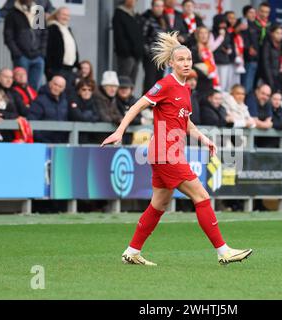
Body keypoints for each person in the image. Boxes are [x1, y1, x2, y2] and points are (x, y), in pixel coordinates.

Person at [101, 32, 253, 266]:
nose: (185, 63)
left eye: (188, 59)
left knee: (159, 203)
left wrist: (204, 138)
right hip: (165, 152)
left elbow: (186, 122)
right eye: (180, 60)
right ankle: (224, 251)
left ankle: (131, 251)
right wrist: (120, 131)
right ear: (171, 63)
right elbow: (136, 105)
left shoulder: (184, 88)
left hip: (167, 152)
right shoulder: (165, 84)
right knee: (201, 196)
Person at [4, 0, 48, 90]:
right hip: (22, 57)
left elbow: (44, 34)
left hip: (38, 57)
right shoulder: (12, 14)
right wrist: (18, 54)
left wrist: (42, 52)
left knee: (35, 88)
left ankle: (33, 104)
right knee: (20, 86)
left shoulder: (38, 12)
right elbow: (8, 36)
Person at [45, 7, 79, 90]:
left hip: (69, 69)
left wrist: (77, 64)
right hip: (57, 69)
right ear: (57, 15)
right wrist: (49, 68)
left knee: (69, 94)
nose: (65, 17)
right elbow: (47, 49)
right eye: (63, 14)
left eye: (67, 15)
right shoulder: (52, 28)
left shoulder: (67, 29)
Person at [28, 75, 69, 143]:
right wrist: (40, 139)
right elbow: (32, 120)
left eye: (60, 86)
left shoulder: (65, 102)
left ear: (63, 88)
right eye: (55, 84)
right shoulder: (40, 101)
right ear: (50, 84)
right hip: (43, 143)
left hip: (61, 143)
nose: (57, 88)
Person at [113, 0, 144, 85]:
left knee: (132, 82)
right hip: (126, 55)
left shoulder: (136, 15)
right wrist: (126, 52)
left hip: (136, 55)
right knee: (123, 80)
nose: (133, 1)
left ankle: (130, 98)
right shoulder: (119, 13)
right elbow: (119, 36)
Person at [141, 0, 168, 93]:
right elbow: (142, 38)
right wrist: (149, 53)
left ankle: (156, 104)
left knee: (159, 82)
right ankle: (146, 105)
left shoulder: (164, 19)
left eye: (161, 6)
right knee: (150, 82)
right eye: (157, 6)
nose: (160, 8)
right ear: (152, 7)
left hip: (162, 56)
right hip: (151, 57)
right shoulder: (147, 19)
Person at [211, 14, 233, 92]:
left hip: (225, 62)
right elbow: (211, 48)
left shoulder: (227, 33)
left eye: (225, 23)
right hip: (215, 62)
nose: (223, 25)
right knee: (215, 84)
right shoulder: (212, 33)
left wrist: (228, 50)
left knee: (224, 84)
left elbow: (230, 45)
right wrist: (221, 36)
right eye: (221, 23)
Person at [241, 5, 259, 94]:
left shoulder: (256, 25)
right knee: (246, 86)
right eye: (251, 12)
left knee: (251, 87)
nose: (253, 15)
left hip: (256, 59)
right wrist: (248, 48)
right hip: (248, 59)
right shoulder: (243, 25)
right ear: (245, 14)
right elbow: (242, 40)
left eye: (254, 13)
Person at [260, 24, 282, 91]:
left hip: (276, 75)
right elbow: (265, 63)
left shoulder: (280, 45)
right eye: (277, 33)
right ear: (271, 33)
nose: (280, 35)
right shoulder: (267, 45)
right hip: (267, 76)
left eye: (281, 33)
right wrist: (270, 80)